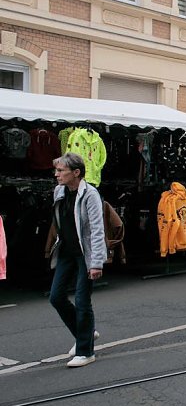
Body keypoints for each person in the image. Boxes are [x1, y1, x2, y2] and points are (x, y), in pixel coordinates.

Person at [48, 153, 107, 368]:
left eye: (61, 171)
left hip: (86, 254)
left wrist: (96, 263)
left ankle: (85, 351)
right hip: (66, 251)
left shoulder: (90, 194)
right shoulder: (59, 191)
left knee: (82, 300)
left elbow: (97, 230)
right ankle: (86, 333)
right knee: (56, 297)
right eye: (56, 170)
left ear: (76, 172)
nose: (56, 175)